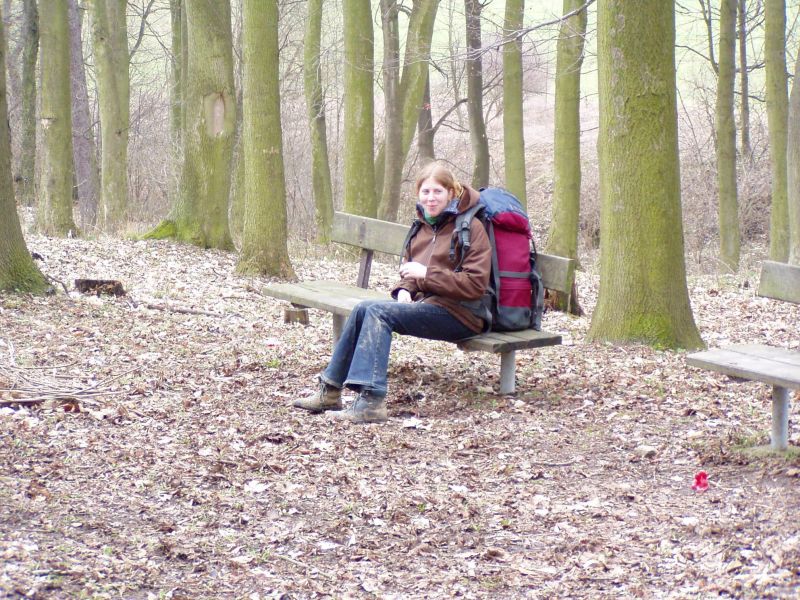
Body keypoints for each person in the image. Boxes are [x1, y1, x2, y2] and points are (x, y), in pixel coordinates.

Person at [293, 162, 492, 423]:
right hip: (430, 306)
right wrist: (404, 291)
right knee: (364, 307)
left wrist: (426, 274)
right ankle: (330, 390)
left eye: (438, 192)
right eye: (426, 192)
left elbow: (475, 285)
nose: (431, 198)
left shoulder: (471, 228)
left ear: (451, 193)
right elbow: (411, 274)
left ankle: (370, 402)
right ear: (418, 194)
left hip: (463, 314)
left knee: (378, 312)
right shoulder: (421, 228)